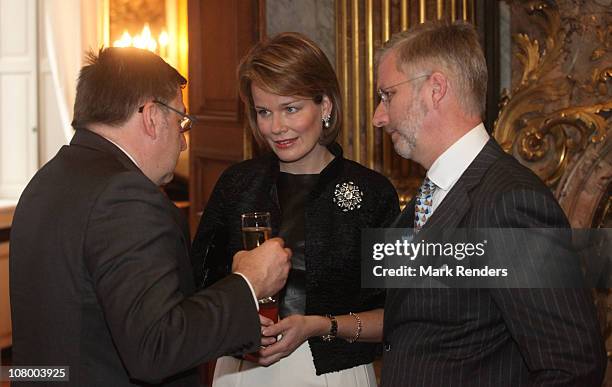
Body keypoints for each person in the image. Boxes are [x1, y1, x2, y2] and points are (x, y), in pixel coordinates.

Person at [9, 47, 291, 387]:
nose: (184, 144)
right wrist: (248, 282)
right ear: (152, 116)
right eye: (181, 122)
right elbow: (156, 346)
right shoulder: (124, 196)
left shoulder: (48, 179)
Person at [372, 21, 606, 386]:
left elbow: (572, 365)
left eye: (387, 95)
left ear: (435, 89)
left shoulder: (509, 203)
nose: (378, 116)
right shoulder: (431, 195)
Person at [191, 32, 399, 386]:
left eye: (290, 108)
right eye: (263, 112)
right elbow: (196, 290)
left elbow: (397, 315)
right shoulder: (236, 184)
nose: (276, 128)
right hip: (241, 372)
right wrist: (235, 311)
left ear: (326, 105)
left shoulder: (374, 193)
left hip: (333, 375)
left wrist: (320, 325)